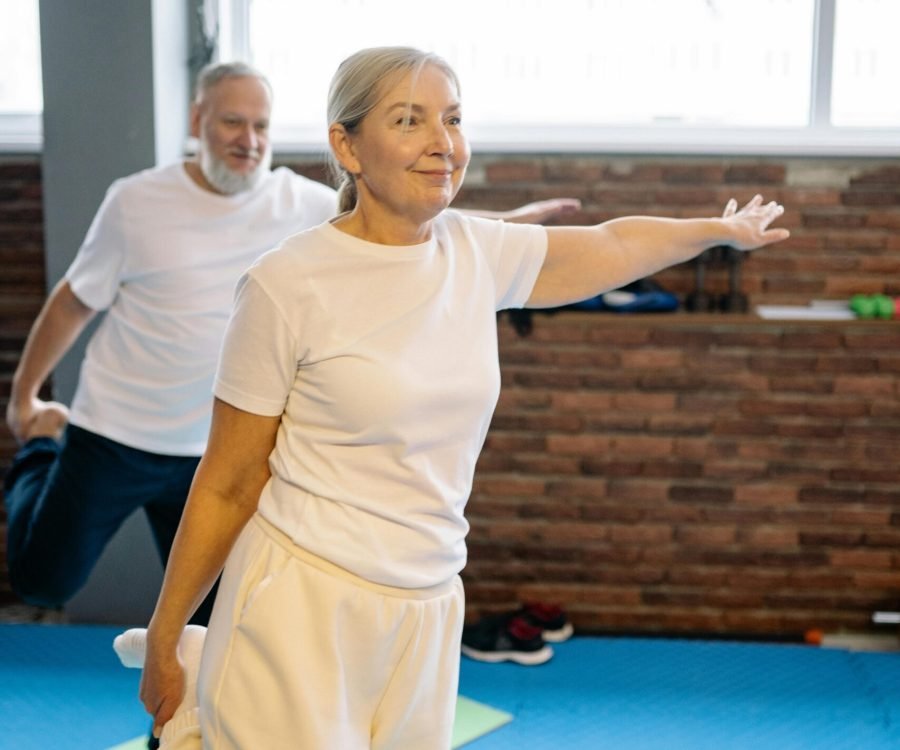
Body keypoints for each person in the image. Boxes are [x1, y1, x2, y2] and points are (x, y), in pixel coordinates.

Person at [136, 46, 789, 749]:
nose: (442, 143)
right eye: (409, 120)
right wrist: (164, 638)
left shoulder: (475, 252)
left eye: (451, 118)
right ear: (346, 146)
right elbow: (229, 481)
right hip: (301, 600)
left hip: (428, 603)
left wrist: (718, 232)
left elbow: (611, 244)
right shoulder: (285, 284)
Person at [2, 60, 578, 625]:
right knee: (44, 580)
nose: (248, 140)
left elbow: (405, 213)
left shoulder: (298, 204)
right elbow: (74, 300)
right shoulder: (134, 202)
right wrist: (25, 397)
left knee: (212, 624)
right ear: (198, 118)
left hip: (212, 447)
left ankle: (180, 724)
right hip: (116, 431)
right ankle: (41, 453)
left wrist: (515, 223)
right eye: (233, 122)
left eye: (261, 126)